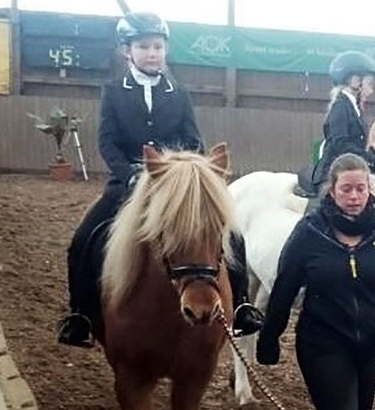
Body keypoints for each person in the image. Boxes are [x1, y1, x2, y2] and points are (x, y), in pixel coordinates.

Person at [57, 11, 262, 348]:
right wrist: (131, 174)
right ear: (128, 51)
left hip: (176, 187)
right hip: (129, 185)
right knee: (84, 239)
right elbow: (108, 142)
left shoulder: (178, 92)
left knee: (232, 235)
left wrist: (192, 170)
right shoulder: (113, 90)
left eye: (157, 46)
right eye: (144, 47)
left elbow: (192, 139)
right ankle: (80, 315)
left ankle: (240, 306)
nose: (152, 53)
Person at [256, 153, 375, 410]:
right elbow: (284, 287)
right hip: (323, 344)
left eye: (360, 189)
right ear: (331, 191)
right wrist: (269, 337)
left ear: (369, 189)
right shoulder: (309, 232)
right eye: (346, 189)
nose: (354, 196)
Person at [311, 50, 375, 194]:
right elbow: (341, 144)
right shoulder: (340, 106)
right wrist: (373, 160)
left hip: (350, 169)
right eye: (370, 84)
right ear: (355, 81)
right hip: (333, 173)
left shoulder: (355, 108)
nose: (371, 91)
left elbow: (356, 145)